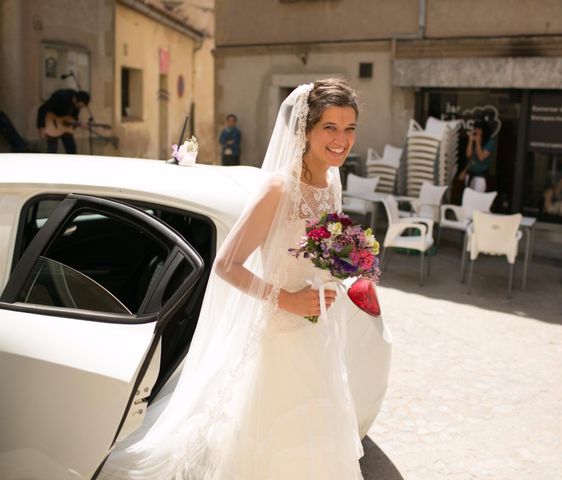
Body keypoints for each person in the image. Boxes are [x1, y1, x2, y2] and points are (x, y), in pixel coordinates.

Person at [100, 79, 364, 479]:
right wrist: (286, 300)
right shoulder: (280, 187)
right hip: (278, 339)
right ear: (306, 130)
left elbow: (317, 249)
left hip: (316, 336)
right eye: (330, 127)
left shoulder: (332, 181)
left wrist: (341, 269)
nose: (341, 140)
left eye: (349, 129)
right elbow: (227, 264)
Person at [36, 89, 90, 154]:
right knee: (52, 149)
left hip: (64, 126)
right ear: (75, 99)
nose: (79, 108)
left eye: (81, 107)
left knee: (71, 148)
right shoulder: (60, 96)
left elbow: (73, 118)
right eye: (79, 106)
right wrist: (42, 127)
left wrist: (79, 123)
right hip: (51, 123)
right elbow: (42, 109)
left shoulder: (77, 106)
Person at [458, 119, 495, 192]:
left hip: (480, 177)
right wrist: (471, 140)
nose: (476, 131)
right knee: (468, 198)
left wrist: (478, 142)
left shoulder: (489, 141)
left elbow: (481, 157)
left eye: (479, 129)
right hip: (470, 174)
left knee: (476, 199)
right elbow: (468, 155)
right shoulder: (475, 138)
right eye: (475, 128)